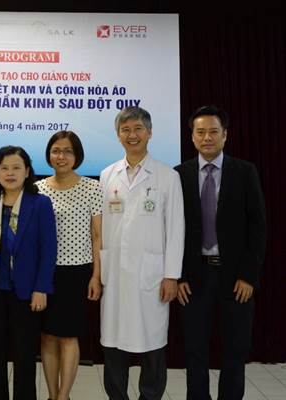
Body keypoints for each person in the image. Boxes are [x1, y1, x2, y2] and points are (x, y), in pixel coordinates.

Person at [175, 105, 266, 400]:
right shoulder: (179, 175)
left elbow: (258, 227)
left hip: (235, 278)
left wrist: (248, 275)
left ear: (225, 135)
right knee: (195, 351)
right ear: (192, 137)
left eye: (213, 132)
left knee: (235, 350)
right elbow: (172, 231)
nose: (207, 138)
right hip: (194, 277)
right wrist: (179, 276)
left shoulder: (245, 172)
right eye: (200, 132)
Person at [99, 106, 184, 400]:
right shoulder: (107, 175)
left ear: (149, 133)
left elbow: (176, 230)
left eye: (138, 129)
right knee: (113, 344)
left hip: (152, 276)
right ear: (118, 135)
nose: (132, 135)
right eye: (125, 130)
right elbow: (100, 229)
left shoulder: (167, 176)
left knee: (152, 345)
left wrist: (172, 276)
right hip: (114, 276)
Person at [0, 145, 57, 400]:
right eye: (4, 168)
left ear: (27, 172)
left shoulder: (40, 204)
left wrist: (41, 288)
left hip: (26, 291)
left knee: (24, 354)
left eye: (16, 167)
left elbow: (48, 250)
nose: (10, 173)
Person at [35, 131, 102, 400]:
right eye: (56, 150)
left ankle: (64, 396)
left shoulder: (92, 188)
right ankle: (52, 395)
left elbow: (97, 236)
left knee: (69, 336)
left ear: (77, 156)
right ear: (49, 154)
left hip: (77, 272)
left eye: (67, 151)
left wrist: (96, 275)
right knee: (47, 336)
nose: (61, 156)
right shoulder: (38, 189)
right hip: (45, 273)